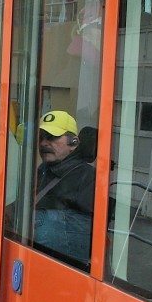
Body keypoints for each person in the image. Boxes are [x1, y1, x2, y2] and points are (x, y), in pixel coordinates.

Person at [34, 110, 95, 265]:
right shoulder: (44, 170)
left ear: (73, 143)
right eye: (41, 137)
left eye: (52, 137)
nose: (43, 143)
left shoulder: (86, 176)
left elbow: (83, 232)